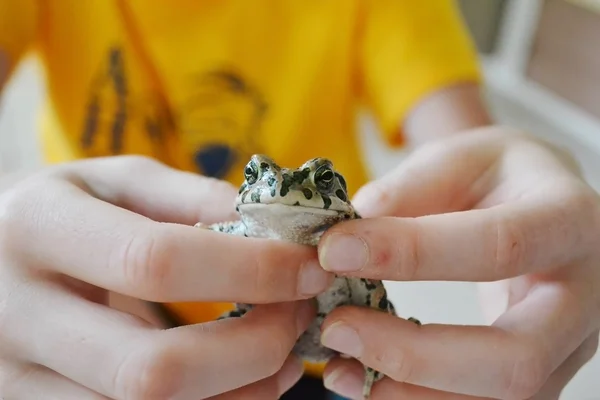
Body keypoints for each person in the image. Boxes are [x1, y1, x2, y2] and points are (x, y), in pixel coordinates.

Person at [0, 1, 598, 399]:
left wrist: (524, 205)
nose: (283, 191)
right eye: (267, 179)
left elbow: (472, 154)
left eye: (313, 181)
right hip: (111, 315)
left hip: (335, 350)